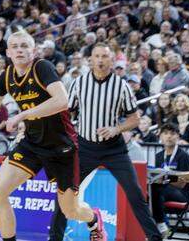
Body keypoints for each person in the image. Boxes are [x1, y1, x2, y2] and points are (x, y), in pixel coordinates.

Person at [0, 29, 107, 241]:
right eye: (15, 47)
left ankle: (94, 219)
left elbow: (62, 101)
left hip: (62, 147)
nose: (20, 50)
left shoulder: (42, 67)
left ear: (33, 50)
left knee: (71, 210)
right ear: (8, 53)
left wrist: (23, 115)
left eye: (24, 46)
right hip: (31, 144)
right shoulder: (8, 76)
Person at [48, 44, 160, 241]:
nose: (100, 60)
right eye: (97, 56)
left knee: (135, 193)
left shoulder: (121, 86)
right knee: (66, 193)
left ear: (111, 60)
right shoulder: (79, 83)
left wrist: (116, 129)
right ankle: (54, 238)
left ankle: (154, 237)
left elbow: (134, 118)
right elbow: (66, 113)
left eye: (104, 57)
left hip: (114, 148)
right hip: (84, 147)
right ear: (90, 59)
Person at [149, 122, 189, 234]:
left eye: (172, 133)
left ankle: (161, 224)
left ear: (178, 136)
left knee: (155, 191)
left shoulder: (183, 156)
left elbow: (182, 183)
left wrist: (165, 179)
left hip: (181, 194)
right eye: (166, 133)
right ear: (160, 136)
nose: (169, 136)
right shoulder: (158, 156)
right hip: (161, 191)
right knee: (150, 192)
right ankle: (160, 226)